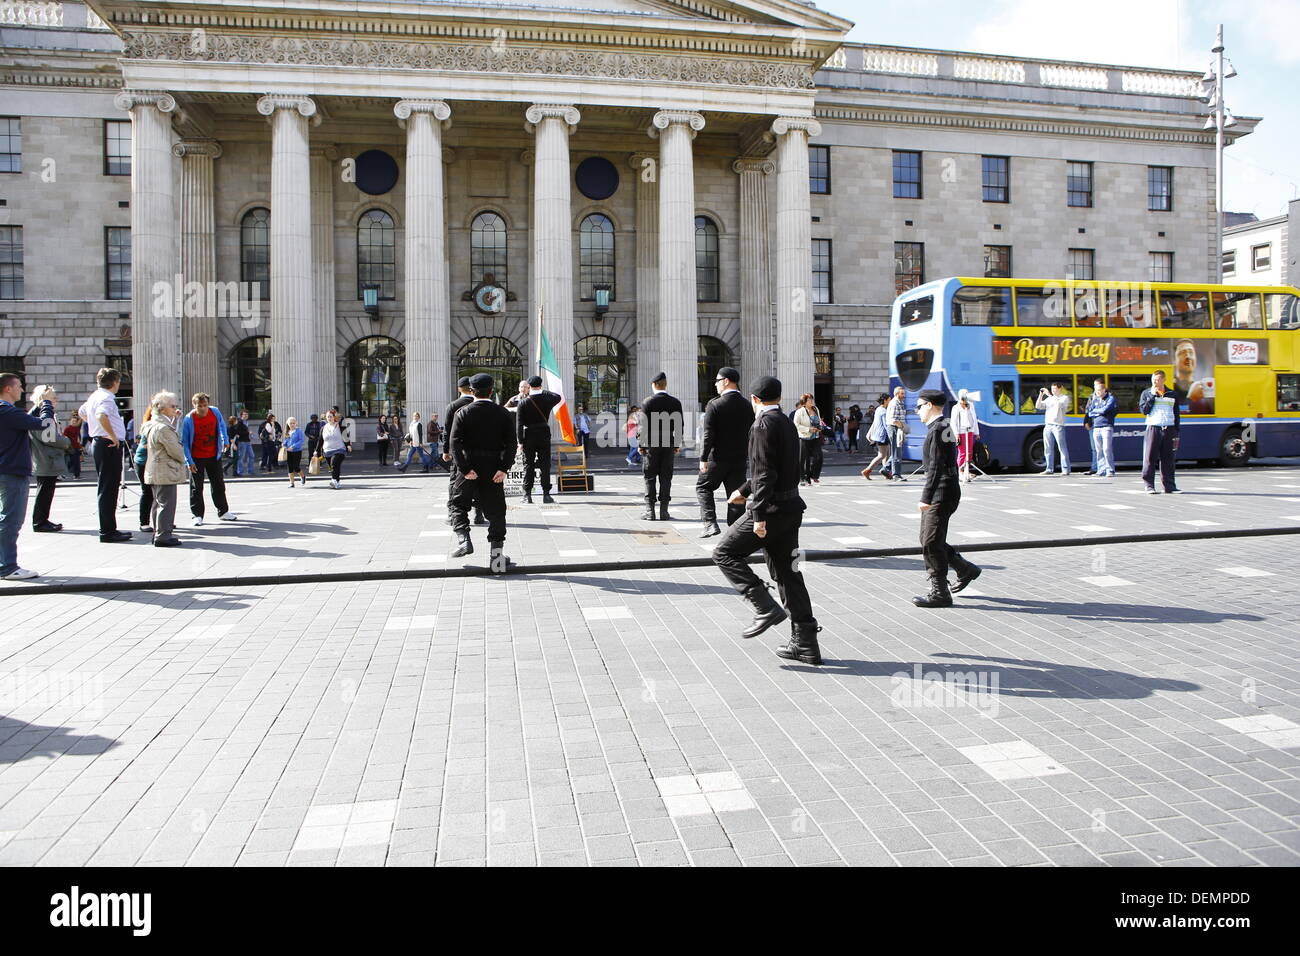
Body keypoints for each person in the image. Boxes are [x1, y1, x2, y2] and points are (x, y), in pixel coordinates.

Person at [712, 375, 822, 665]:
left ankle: (764, 606)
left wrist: (757, 514)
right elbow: (776, 467)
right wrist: (742, 490)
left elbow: (764, 473)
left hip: (770, 511)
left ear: (755, 399)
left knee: (723, 553)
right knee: (789, 574)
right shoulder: (786, 421)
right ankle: (806, 643)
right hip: (791, 509)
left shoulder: (761, 424)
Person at [913, 388, 981, 608]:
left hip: (942, 492)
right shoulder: (942, 427)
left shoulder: (939, 428)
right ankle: (964, 569)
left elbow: (936, 466)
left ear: (930, 405)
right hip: (944, 490)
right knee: (929, 539)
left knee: (931, 541)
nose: (917, 411)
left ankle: (940, 592)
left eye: (919, 406)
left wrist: (926, 497)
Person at [448, 372, 516, 569]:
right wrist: (504, 468)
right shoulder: (503, 413)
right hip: (493, 467)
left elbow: (454, 443)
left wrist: (464, 468)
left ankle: (464, 540)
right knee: (496, 512)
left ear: (472, 391)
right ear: (491, 391)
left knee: (458, 504)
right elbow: (512, 443)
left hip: (469, 465)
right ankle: (496, 558)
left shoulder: (463, 412)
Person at [1, 372, 55, 578]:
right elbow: (45, 424)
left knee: (6, 518)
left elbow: (26, 420)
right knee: (11, 520)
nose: (22, 390)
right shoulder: (6, 411)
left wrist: (39, 405)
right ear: (8, 388)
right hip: (12, 472)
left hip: (7, 470)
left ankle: (5, 563)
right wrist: (47, 402)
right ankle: (7, 567)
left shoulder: (7, 412)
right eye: (18, 386)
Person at [696, 366, 754, 538]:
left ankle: (709, 524)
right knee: (736, 495)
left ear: (726, 381)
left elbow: (708, 435)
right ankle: (736, 532)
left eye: (717, 381)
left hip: (718, 458)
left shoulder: (715, 405)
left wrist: (703, 457)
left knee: (703, 487)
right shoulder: (748, 405)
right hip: (739, 459)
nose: (715, 385)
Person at [80, 367, 131, 543]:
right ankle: (108, 531)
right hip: (108, 444)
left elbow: (82, 412)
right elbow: (102, 416)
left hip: (100, 442)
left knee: (106, 486)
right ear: (115, 382)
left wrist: (95, 427)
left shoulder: (94, 395)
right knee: (109, 488)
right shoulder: (107, 398)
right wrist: (112, 435)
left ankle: (108, 529)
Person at [181, 393, 236, 527]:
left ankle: (223, 511)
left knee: (218, 484)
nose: (203, 408)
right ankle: (197, 515)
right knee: (196, 488)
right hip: (196, 457)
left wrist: (224, 440)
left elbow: (222, 426)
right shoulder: (189, 419)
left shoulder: (215, 412)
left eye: (205, 405)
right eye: (200, 406)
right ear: (194, 405)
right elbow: (185, 443)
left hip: (213, 455)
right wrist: (189, 461)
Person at [140, 391, 185, 547]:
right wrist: (182, 457)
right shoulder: (163, 428)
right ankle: (163, 536)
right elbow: (176, 449)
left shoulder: (154, 424)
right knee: (166, 504)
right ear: (163, 408)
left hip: (156, 468)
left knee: (158, 503)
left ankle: (158, 534)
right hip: (165, 469)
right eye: (172, 406)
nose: (175, 409)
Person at [637, 371, 683, 520]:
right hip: (668, 443)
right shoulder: (675, 402)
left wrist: (641, 444)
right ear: (665, 384)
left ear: (654, 385)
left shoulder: (648, 402)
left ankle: (650, 511)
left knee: (649, 477)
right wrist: (676, 444)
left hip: (651, 444)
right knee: (666, 477)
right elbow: (679, 425)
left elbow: (642, 426)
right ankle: (664, 511)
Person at [29, 386, 71, 533]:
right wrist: (65, 441)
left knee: (46, 491)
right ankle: (40, 522)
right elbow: (48, 437)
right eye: (53, 397)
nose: (57, 400)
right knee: (44, 491)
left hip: (46, 458)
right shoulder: (39, 413)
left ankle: (42, 520)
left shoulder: (40, 412)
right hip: (45, 459)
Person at [443, 377, 485, 527]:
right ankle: (479, 513)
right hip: (480, 450)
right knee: (478, 482)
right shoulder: (479, 404)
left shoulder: (453, 406)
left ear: (459, 388)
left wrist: (445, 450)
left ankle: (452, 513)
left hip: (459, 451)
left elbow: (448, 431)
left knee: (455, 481)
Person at [516, 375, 562, 504]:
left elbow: (519, 424)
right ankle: (546, 494)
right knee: (545, 465)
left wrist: (520, 441)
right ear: (540, 386)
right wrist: (543, 390)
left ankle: (527, 495)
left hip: (529, 434)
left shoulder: (523, 402)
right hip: (544, 433)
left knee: (528, 465)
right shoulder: (547, 398)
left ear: (529, 387)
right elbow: (557, 397)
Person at [1140, 370, 1181, 494]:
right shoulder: (1146, 393)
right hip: (1153, 428)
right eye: (1153, 380)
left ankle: (1169, 486)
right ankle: (1149, 485)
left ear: (1163, 380)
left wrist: (1176, 429)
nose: (1155, 382)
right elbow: (1144, 411)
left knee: (1168, 459)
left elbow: (1176, 413)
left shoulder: (1172, 394)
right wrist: (1152, 396)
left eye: (1157, 380)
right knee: (1150, 457)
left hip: (1169, 429)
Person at [1035, 382, 1071, 476]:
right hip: (1048, 425)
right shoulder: (1050, 399)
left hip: (1058, 426)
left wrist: (1050, 395)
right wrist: (1041, 395)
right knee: (1047, 448)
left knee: (1061, 448)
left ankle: (1066, 469)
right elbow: (1038, 406)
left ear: (1060, 389)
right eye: (1052, 389)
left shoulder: (1064, 398)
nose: (1053, 391)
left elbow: (1059, 405)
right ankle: (1049, 468)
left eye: (1055, 389)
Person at [1084, 378, 1117, 478]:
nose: (1097, 392)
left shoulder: (1110, 398)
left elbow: (1105, 409)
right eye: (1096, 391)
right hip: (1096, 427)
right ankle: (1101, 470)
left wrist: (1097, 412)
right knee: (1098, 450)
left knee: (1107, 449)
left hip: (1107, 426)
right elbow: (1090, 412)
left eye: (1099, 390)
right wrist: (1099, 411)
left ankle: (1110, 470)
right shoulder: (1094, 400)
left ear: (1104, 390)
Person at [133, 405, 156, 532]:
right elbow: (145, 446)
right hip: (144, 462)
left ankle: (160, 520)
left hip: (153, 462)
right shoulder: (149, 425)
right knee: (147, 492)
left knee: (159, 493)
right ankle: (144, 523)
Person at [793, 394, 824, 485]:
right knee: (803, 459)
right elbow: (796, 425)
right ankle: (804, 478)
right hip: (804, 437)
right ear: (804, 402)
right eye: (809, 400)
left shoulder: (816, 409)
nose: (811, 401)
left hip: (815, 437)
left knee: (819, 457)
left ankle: (813, 475)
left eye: (812, 399)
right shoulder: (799, 412)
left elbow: (819, 421)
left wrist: (820, 427)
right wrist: (809, 429)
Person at [860, 394, 892, 480]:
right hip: (882, 435)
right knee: (882, 455)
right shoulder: (883, 411)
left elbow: (875, 422)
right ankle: (867, 470)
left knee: (886, 454)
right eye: (889, 399)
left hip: (879, 435)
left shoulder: (878, 409)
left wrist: (869, 433)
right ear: (885, 400)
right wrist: (892, 434)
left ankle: (886, 472)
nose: (891, 401)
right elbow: (886, 424)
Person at [951, 389, 980, 483]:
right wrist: (956, 434)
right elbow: (953, 422)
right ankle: (960, 472)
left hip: (969, 431)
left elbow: (974, 418)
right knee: (963, 452)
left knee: (969, 452)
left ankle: (966, 471)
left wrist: (976, 432)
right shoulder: (956, 407)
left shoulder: (971, 406)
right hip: (961, 432)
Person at [320, 409, 351, 489]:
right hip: (327, 450)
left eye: (330, 416)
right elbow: (320, 440)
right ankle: (337, 482)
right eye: (327, 417)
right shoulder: (323, 428)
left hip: (339, 449)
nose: (329, 418)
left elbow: (345, 436)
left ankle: (333, 480)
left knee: (334, 463)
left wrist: (348, 445)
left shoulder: (340, 426)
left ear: (334, 417)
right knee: (334, 467)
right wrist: (316, 451)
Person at [886, 386, 908, 482]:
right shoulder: (895, 403)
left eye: (904, 393)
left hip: (897, 428)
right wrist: (902, 427)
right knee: (896, 452)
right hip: (895, 428)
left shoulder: (900, 402)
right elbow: (894, 420)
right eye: (902, 393)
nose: (904, 395)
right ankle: (896, 475)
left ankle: (885, 468)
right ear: (897, 394)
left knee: (897, 451)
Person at [284, 416, 306, 487]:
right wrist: (284, 444)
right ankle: (292, 483)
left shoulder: (299, 431)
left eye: (293, 423)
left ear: (296, 423)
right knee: (290, 467)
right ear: (288, 424)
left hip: (297, 451)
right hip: (288, 451)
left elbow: (301, 440)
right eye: (290, 423)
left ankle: (302, 476)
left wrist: (293, 447)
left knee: (296, 467)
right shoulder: (287, 431)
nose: (292, 424)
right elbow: (286, 440)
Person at [233, 409, 254, 476]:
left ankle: (250, 470)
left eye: (247, 414)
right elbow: (238, 432)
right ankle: (240, 471)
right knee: (241, 457)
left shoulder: (246, 422)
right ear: (241, 415)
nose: (246, 416)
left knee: (252, 455)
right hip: (242, 441)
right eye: (244, 414)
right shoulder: (239, 422)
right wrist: (247, 432)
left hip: (247, 441)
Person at [63, 411, 83, 479]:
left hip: (76, 446)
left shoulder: (77, 428)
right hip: (70, 446)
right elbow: (64, 437)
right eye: (72, 421)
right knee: (70, 461)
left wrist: (80, 446)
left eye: (75, 421)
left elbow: (80, 421)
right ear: (70, 421)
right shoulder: (67, 428)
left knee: (76, 461)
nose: (74, 422)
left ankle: (76, 474)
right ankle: (65, 473)